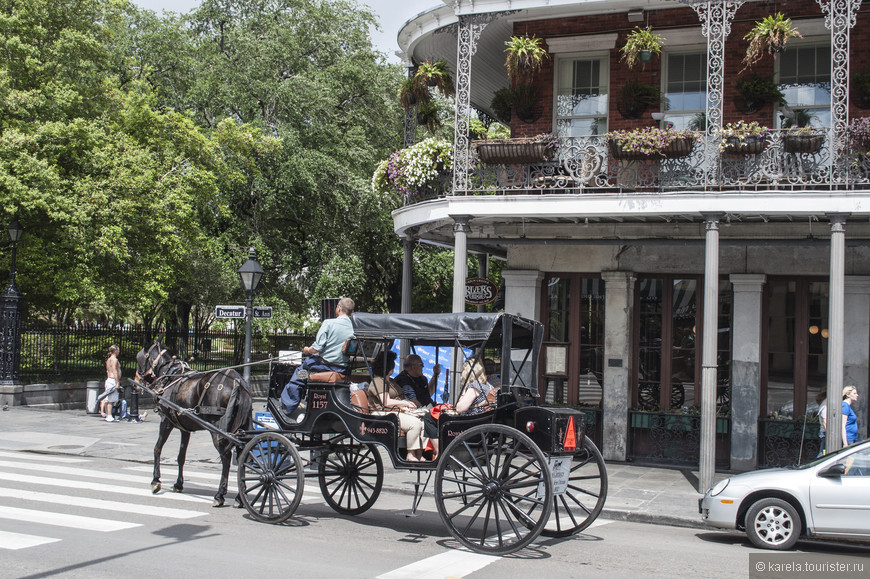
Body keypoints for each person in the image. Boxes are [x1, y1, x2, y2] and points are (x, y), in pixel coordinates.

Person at [281, 297, 355, 416]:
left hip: (323, 366)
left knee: (300, 373)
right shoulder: (354, 327)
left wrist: (306, 350)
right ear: (351, 312)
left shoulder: (329, 323)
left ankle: (289, 405)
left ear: (339, 308)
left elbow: (316, 348)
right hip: (342, 368)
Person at [424, 359, 496, 455]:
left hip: (468, 425)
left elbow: (459, 408)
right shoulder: (488, 386)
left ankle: (439, 452)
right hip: (480, 423)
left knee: (429, 417)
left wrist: (463, 392)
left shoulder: (474, 387)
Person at [366, 351, 428, 462]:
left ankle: (420, 454)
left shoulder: (391, 381)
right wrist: (405, 403)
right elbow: (385, 402)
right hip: (384, 412)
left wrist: (409, 405)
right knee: (415, 424)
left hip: (397, 410)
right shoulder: (378, 381)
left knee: (425, 421)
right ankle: (410, 454)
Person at [101, 345, 121, 422]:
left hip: (109, 379)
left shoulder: (108, 359)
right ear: (115, 351)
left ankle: (108, 415)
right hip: (112, 380)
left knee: (107, 399)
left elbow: (107, 371)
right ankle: (109, 416)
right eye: (118, 350)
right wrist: (117, 382)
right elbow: (114, 371)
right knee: (111, 400)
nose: (118, 352)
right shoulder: (114, 360)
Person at [815, 391, 827, 457]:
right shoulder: (824, 407)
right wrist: (828, 433)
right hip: (825, 432)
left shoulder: (824, 405)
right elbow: (825, 421)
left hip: (824, 431)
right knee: (822, 452)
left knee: (823, 451)